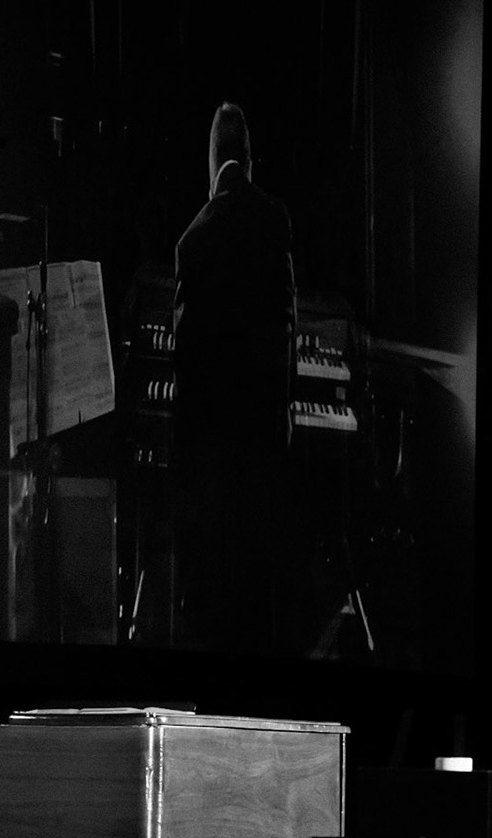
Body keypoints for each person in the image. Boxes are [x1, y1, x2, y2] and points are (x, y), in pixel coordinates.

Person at [170, 101, 299, 655]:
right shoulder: (277, 218)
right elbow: (286, 323)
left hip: (212, 436)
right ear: (249, 159)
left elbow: (185, 355)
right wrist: (285, 408)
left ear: (213, 160)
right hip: (263, 421)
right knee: (259, 561)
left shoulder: (192, 239)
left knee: (216, 565)